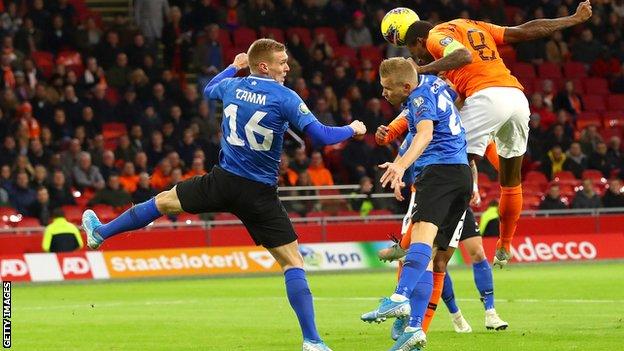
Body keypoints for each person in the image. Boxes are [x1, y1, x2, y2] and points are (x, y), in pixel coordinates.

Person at [81, 39, 366, 351]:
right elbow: (322, 137)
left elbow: (208, 89)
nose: (287, 68)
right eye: (282, 62)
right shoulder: (285, 97)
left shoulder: (232, 86)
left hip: (223, 181)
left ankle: (101, 233)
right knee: (292, 262)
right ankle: (312, 341)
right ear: (264, 66)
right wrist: (352, 128)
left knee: (162, 202)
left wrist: (234, 65)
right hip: (258, 193)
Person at [404, 1, 593, 267]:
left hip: (487, 96)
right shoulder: (476, 27)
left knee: (442, 160)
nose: (419, 57)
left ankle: (416, 240)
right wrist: (572, 19)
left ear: (420, 41)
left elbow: (462, 56)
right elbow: (524, 31)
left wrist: (419, 71)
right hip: (515, 97)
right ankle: (504, 245)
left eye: (414, 51)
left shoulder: (436, 37)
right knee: (510, 179)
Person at [360, 58, 472, 351]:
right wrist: (399, 163)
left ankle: (399, 298)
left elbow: (424, 134)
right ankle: (414, 329)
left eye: (387, 88)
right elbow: (450, 96)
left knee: (420, 238)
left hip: (438, 173)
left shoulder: (418, 96)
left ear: (406, 86)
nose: (383, 93)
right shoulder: (434, 85)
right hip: (460, 176)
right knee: (431, 256)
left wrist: (400, 167)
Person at [374, 109, 507, 337]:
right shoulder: (426, 110)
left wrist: (476, 186)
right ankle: (411, 315)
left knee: (447, 259)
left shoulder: (467, 116)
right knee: (418, 256)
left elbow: (473, 156)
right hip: (427, 192)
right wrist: (398, 169)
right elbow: (407, 142)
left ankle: (488, 312)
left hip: (457, 194)